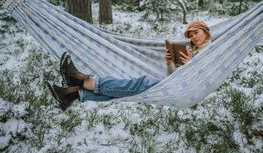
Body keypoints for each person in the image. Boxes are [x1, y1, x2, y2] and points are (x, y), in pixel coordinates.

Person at [46, 20, 212, 111]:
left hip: (190, 94)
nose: (194, 37)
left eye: (196, 32)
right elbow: (174, 76)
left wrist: (191, 64)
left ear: (206, 31)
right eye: (191, 35)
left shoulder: (213, 51)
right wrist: (170, 62)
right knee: (128, 92)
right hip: (176, 86)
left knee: (143, 83)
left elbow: (204, 79)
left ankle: (81, 81)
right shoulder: (191, 50)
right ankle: (72, 94)